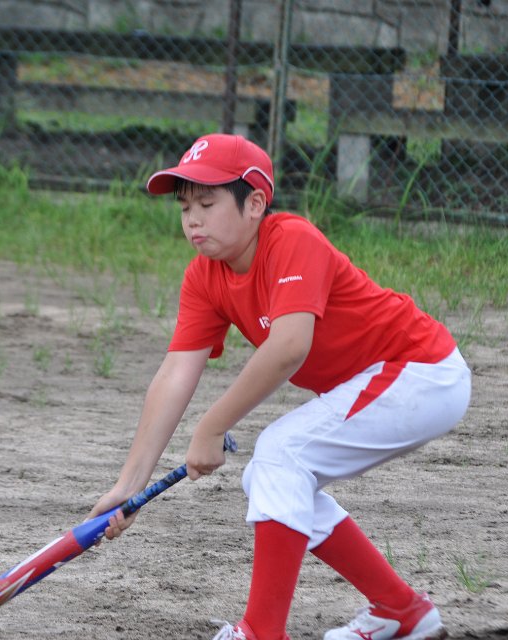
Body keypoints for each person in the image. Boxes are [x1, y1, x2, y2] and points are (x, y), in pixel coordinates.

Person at [87, 133, 471, 640]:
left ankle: (262, 631)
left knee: (279, 456)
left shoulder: (292, 239)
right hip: (382, 380)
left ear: (255, 204)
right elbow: (175, 373)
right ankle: (401, 610)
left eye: (207, 203)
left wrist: (211, 426)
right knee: (270, 477)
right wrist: (128, 486)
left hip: (420, 370)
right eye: (184, 208)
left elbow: (289, 346)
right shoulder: (205, 276)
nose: (192, 220)